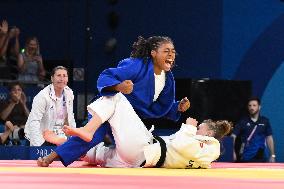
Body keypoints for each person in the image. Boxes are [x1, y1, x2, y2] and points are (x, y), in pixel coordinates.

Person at [38, 35, 190, 167]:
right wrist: (119, 86)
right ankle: (51, 158)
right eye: (166, 51)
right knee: (94, 136)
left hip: (127, 119)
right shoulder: (137, 65)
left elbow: (159, 108)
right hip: (108, 107)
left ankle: (82, 144)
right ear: (153, 53)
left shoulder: (168, 80)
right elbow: (105, 76)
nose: (171, 54)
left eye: (173, 51)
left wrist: (177, 108)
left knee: (111, 147)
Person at [38, 93, 231, 168]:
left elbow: (182, 144)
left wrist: (188, 127)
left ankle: (88, 129)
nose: (197, 128)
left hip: (145, 149)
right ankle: (59, 145)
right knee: (95, 154)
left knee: (115, 97)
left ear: (209, 134)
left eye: (200, 128)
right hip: (138, 160)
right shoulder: (207, 156)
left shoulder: (210, 146)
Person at [24, 66, 76, 146]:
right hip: (39, 136)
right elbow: (34, 122)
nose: (62, 79)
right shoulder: (42, 96)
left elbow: (70, 118)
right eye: (58, 75)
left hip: (57, 136)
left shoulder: (69, 93)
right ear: (52, 79)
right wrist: (38, 147)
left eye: (64, 76)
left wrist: (74, 139)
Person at [231, 97, 276, 162]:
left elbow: (269, 138)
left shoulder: (265, 121)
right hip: (245, 157)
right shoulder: (242, 121)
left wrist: (272, 155)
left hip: (261, 156)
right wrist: (232, 152)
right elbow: (233, 136)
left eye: (254, 105)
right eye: (250, 105)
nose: (252, 108)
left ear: (259, 107)